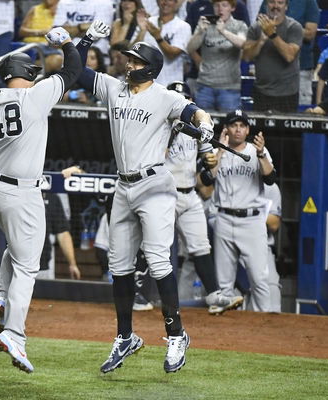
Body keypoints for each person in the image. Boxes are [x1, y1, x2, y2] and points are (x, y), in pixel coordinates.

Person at [75, 25, 216, 372]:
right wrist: (87, 39)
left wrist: (207, 131)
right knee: (119, 265)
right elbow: (76, 70)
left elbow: (197, 114)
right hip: (123, 187)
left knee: (157, 260)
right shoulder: (113, 88)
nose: (128, 64)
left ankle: (176, 335)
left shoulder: (165, 96)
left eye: (135, 61)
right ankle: (125, 336)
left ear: (149, 67)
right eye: (128, 59)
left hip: (154, 184)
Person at [0, 25, 84, 373]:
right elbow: (73, 69)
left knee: (17, 248)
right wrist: (65, 42)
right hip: (21, 191)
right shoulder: (35, 96)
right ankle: (14, 333)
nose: (35, 78)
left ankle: (1, 297)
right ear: (21, 75)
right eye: (31, 74)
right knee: (28, 265)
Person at [164, 81, 244, 315]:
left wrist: (213, 162)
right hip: (164, 195)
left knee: (200, 246)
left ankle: (214, 296)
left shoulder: (197, 132)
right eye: (177, 98)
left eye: (186, 99)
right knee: (153, 245)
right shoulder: (159, 127)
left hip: (189, 194)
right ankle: (137, 293)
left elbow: (206, 179)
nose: (183, 103)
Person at [209, 109, 275, 312]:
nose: (238, 129)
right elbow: (207, 178)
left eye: (242, 126)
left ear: (247, 130)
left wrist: (262, 154)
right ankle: (225, 335)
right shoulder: (216, 152)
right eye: (234, 125)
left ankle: (266, 323)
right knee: (224, 284)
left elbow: (270, 178)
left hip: (252, 220)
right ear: (226, 129)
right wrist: (220, 150)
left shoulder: (257, 151)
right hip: (224, 218)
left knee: (259, 278)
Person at [186, 0, 248, 111]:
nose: (220, 9)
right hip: (204, 86)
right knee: (202, 126)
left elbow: (243, 44)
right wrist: (199, 31)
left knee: (230, 125)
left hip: (230, 88)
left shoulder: (239, 25)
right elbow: (189, 49)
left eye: (224, 5)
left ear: (232, 8)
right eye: (217, 5)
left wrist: (223, 31)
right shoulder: (205, 25)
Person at [242, 0, 303, 112]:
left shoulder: (294, 27)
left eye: (280, 3)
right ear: (266, 5)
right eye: (271, 2)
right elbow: (247, 57)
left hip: (287, 94)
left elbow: (289, 56)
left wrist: (272, 35)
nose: (275, 6)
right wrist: (261, 40)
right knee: (261, 130)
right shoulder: (255, 28)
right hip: (261, 92)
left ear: (286, 6)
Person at [258, 0, 320, 106]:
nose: (276, 5)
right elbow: (261, 26)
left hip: (301, 68)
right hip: (270, 69)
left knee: (301, 114)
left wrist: (283, 28)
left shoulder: (308, 2)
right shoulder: (269, 1)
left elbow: (310, 33)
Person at [137, 0, 192, 86]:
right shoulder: (149, 22)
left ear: (175, 2)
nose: (165, 2)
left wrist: (158, 37)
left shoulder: (183, 26)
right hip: (146, 83)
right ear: (157, 2)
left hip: (170, 85)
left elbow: (172, 55)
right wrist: (142, 31)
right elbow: (136, 50)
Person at [37, 192, 81, 280]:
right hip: (15, 264)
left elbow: (63, 233)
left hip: (43, 267)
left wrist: (72, 264)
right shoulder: (15, 194)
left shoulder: (52, 198)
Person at [263, 182, 282, 312]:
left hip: (263, 248)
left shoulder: (271, 187)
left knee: (273, 295)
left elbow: (274, 223)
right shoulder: (230, 180)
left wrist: (246, 212)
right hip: (234, 250)